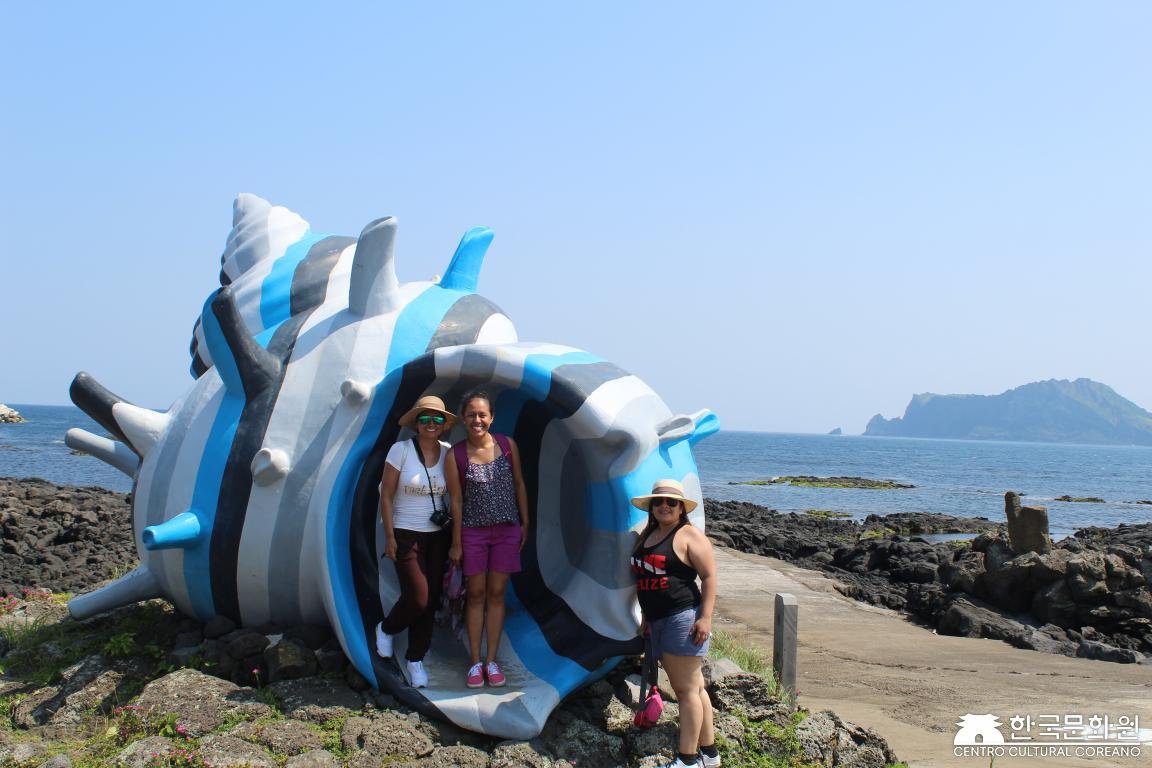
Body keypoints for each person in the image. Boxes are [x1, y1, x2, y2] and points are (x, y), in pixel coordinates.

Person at [630, 479, 719, 768]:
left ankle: (688, 759)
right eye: (658, 502)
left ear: (681, 508)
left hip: (683, 618)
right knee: (696, 688)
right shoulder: (648, 535)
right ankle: (710, 755)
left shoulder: (688, 535)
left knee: (685, 691)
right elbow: (645, 580)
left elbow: (709, 577)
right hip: (657, 621)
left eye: (671, 502)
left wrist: (705, 617)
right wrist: (646, 617)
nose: (664, 506)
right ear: (651, 507)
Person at [444, 389, 529, 688]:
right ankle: (474, 661)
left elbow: (519, 483)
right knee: (476, 594)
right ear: (462, 419)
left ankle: (492, 661)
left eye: (482, 414)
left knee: (496, 594)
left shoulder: (507, 445)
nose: (477, 420)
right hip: (473, 532)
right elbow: (456, 501)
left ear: (491, 417)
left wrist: (525, 521)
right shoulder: (455, 455)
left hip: (506, 530)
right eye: (471, 415)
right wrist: (456, 543)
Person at [375, 394, 457, 689]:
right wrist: (389, 536)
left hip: (437, 536)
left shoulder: (448, 453)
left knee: (430, 600)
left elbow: (456, 495)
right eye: (424, 418)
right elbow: (386, 494)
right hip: (406, 533)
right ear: (416, 423)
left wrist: (458, 539)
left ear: (444, 424)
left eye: (437, 419)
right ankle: (387, 628)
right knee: (418, 597)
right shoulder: (401, 450)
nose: (431, 423)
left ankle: (415, 659)